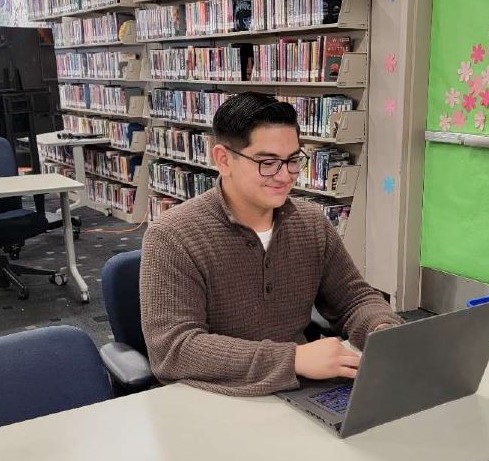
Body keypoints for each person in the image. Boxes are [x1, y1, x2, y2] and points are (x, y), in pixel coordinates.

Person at [140, 92, 403, 396]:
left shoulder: (310, 223)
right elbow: (174, 349)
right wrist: (292, 358)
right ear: (223, 160)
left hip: (297, 391)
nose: (284, 176)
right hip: (212, 399)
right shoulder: (172, 236)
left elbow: (354, 299)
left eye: (293, 160)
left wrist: (381, 330)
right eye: (268, 162)